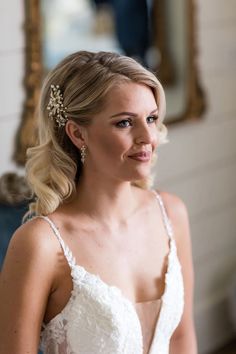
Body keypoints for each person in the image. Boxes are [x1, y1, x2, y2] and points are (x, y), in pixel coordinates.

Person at [0, 50, 197, 354]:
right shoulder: (40, 243)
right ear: (78, 133)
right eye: (124, 123)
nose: (148, 137)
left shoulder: (171, 213)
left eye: (152, 118)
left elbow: (182, 338)